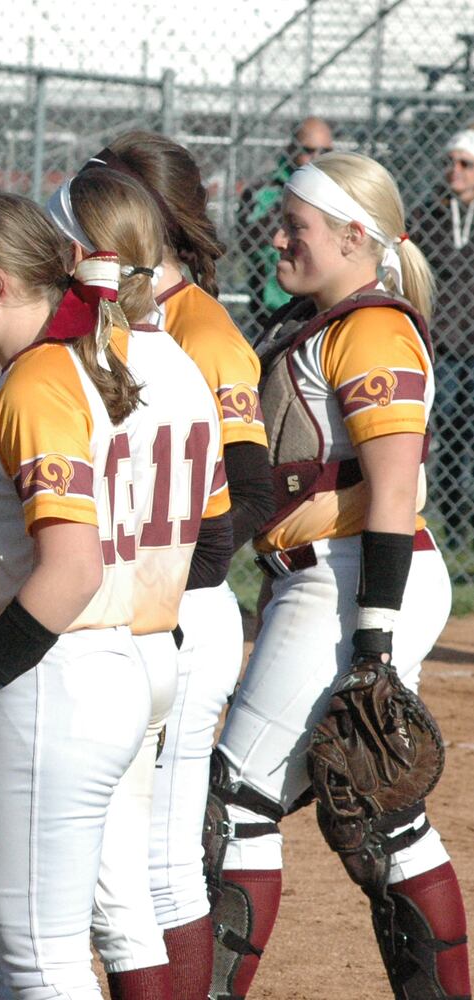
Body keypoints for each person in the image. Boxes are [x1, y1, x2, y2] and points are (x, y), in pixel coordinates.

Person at [209, 152, 470, 1000]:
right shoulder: (324, 320)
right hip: (327, 574)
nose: (276, 235)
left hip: (355, 574)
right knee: (375, 808)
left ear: (356, 238)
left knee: (235, 801)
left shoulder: (373, 328)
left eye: (298, 225)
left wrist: (374, 634)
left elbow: (392, 486)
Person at [0, 189, 149, 1000]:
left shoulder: (36, 380)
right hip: (63, 673)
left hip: (52, 676)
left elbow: (71, 568)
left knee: (39, 962)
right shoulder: (64, 361)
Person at [47, 160, 235, 1000]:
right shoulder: (186, 365)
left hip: (92, 647)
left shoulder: (82, 364)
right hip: (161, 640)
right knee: (145, 884)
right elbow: (220, 531)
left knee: (76, 909)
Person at [94, 131, 275, 998]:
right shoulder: (132, 324)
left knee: (159, 857)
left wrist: (168, 574)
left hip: (185, 608)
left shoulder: (204, 332)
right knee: (128, 853)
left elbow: (251, 489)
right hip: (152, 603)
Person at [410, 126, 474, 554]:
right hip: (445, 344)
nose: (453, 171)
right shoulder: (430, 213)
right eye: (449, 163)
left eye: (464, 164)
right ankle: (455, 530)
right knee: (448, 438)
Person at [238, 116, 334, 327]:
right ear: (291, 149)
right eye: (308, 151)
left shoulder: (339, 192)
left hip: (325, 306)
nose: (317, 158)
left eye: (325, 152)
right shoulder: (264, 190)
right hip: (272, 309)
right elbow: (249, 242)